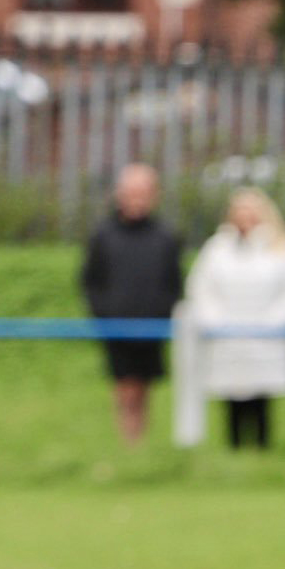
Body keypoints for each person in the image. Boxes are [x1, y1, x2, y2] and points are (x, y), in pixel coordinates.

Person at [185, 188, 285, 450]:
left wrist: (274, 323)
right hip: (226, 335)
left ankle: (262, 453)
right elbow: (201, 288)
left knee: (262, 397)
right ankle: (233, 452)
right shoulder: (217, 248)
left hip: (267, 335)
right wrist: (215, 321)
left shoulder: (283, 246)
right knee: (231, 395)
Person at [80, 163, 183, 445]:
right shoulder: (103, 235)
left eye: (144, 192)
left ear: (154, 195)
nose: (137, 199)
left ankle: (140, 448)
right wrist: (104, 315)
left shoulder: (165, 236)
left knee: (144, 389)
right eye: (132, 192)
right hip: (116, 327)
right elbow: (90, 282)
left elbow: (175, 283)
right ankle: (128, 445)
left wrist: (162, 314)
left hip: (152, 327)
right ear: (119, 194)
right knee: (125, 389)